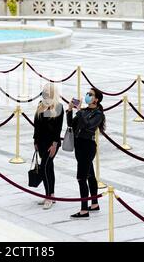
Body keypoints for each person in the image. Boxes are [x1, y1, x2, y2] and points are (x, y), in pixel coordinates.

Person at [66, 88, 105, 219]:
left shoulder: (98, 114)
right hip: (79, 145)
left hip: (87, 146)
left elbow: (88, 126)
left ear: (96, 99)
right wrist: (70, 110)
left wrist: (79, 111)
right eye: (87, 93)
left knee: (81, 177)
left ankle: (84, 210)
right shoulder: (84, 111)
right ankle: (94, 204)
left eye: (90, 94)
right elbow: (71, 124)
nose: (87, 96)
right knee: (90, 175)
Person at [33, 83, 64, 210]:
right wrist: (35, 141)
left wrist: (54, 145)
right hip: (41, 142)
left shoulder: (58, 107)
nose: (44, 93)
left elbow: (58, 129)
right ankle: (51, 194)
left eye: (47, 91)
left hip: (51, 144)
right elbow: (37, 124)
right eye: (44, 91)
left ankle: (48, 197)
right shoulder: (41, 104)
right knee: (49, 168)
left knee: (45, 167)